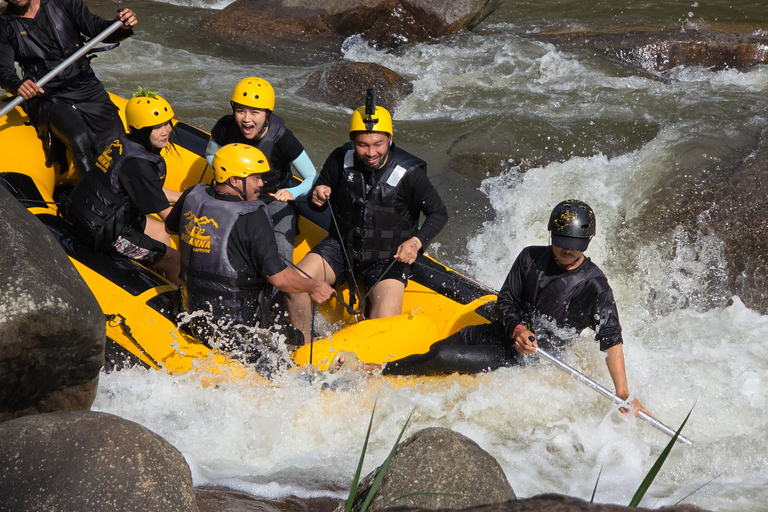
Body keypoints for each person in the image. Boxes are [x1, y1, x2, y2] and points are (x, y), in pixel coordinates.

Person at [350, 200, 647, 416]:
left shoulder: (595, 286)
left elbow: (611, 339)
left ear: (587, 242)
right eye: (561, 242)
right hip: (504, 333)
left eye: (575, 244)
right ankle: (408, 365)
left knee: (443, 355)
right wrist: (517, 328)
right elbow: (505, 301)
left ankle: (381, 370)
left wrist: (622, 392)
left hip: (529, 358)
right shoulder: (530, 258)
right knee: (450, 343)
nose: (567, 250)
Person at [289, 97, 448, 344]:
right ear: (353, 142)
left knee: (384, 324)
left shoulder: (411, 174)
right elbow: (315, 198)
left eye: (378, 144)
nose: (371, 152)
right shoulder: (339, 159)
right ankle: (302, 347)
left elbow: (439, 213)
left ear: (390, 140)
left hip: (387, 260)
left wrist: (415, 243)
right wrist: (316, 196)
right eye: (363, 145)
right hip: (341, 248)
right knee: (296, 282)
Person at [165, 143, 333, 363]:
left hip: (192, 314)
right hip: (236, 330)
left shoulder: (193, 195)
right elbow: (280, 278)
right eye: (255, 178)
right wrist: (314, 286)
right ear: (235, 180)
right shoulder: (252, 216)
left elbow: (170, 228)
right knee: (305, 341)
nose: (261, 184)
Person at [0, 0, 137, 177]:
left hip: (84, 84)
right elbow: (3, 70)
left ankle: (128, 191)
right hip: (47, 96)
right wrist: (17, 85)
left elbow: (96, 27)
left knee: (116, 144)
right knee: (78, 137)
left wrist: (121, 26)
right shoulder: (4, 25)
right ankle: (92, 195)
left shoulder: (63, 2)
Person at [62, 89, 180, 285]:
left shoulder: (126, 143)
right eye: (157, 126)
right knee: (175, 259)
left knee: (160, 233)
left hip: (94, 215)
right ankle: (178, 308)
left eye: (167, 123)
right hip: (103, 231)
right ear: (141, 128)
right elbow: (171, 222)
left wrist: (185, 196)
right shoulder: (138, 165)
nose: (166, 131)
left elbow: (150, 191)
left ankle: (159, 277)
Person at [205, 76, 317, 263]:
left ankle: (278, 287)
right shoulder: (225, 126)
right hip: (230, 193)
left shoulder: (282, 138)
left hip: (272, 200)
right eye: (240, 111)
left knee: (281, 251)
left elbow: (313, 177)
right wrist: (225, 174)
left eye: (255, 112)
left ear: (267, 114)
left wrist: (292, 192)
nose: (246, 119)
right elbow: (210, 155)